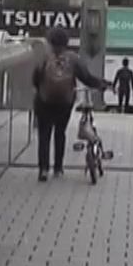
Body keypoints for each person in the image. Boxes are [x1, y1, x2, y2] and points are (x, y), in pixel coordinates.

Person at [31, 27, 105, 183]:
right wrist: (101, 84)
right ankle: (58, 168)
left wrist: (41, 90)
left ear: (50, 42)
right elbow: (86, 78)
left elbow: (36, 79)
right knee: (60, 133)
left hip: (44, 101)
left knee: (44, 135)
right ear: (66, 42)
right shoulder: (73, 58)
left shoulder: (44, 58)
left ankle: (43, 169)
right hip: (64, 102)